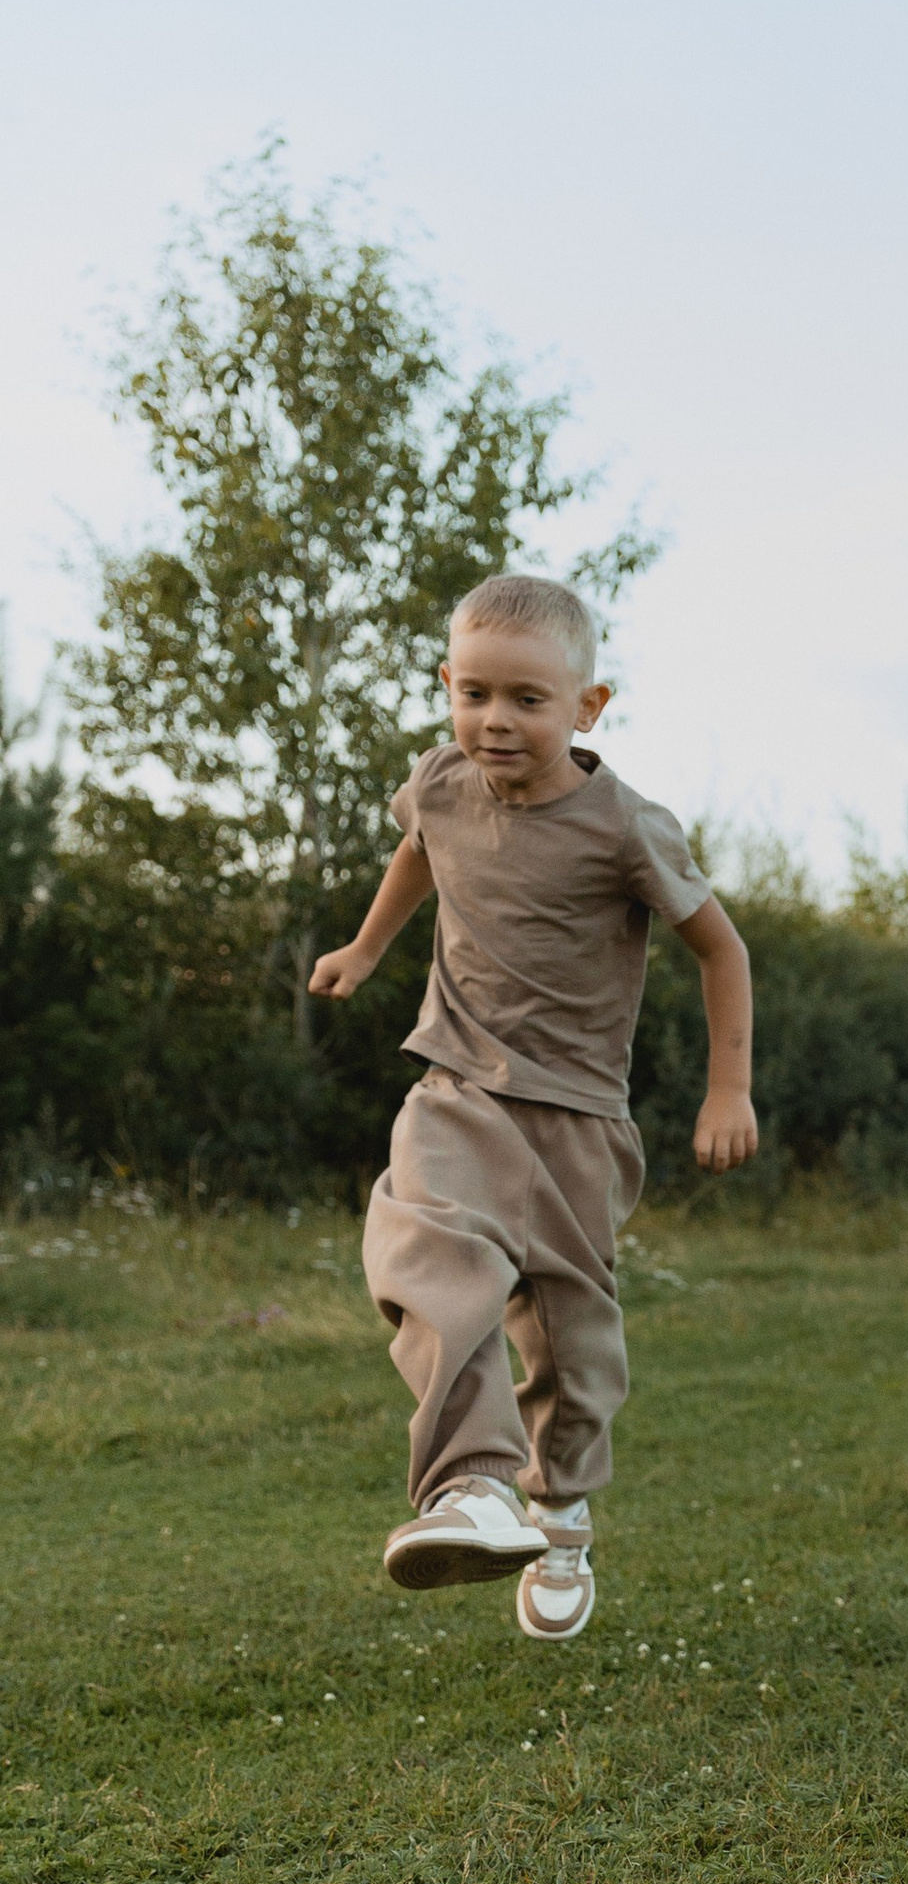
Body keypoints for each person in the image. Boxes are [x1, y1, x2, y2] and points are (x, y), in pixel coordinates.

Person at [310, 572, 757, 1642]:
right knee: (423, 1243)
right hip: (456, 1082)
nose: (494, 721)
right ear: (446, 687)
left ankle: (558, 1509)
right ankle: (471, 1486)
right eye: (474, 694)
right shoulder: (441, 782)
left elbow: (720, 946)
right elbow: (418, 847)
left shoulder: (624, 828)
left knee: (569, 1339)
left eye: (526, 700)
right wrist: (369, 946)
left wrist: (727, 1086)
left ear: (587, 707)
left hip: (577, 1117)